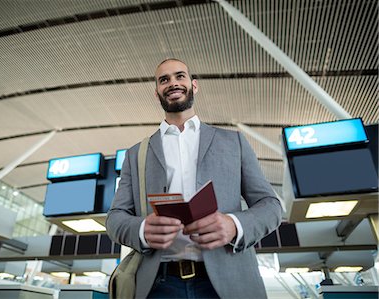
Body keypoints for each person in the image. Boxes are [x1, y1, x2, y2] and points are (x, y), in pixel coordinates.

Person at [106, 58, 282, 298]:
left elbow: (271, 206)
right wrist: (141, 230)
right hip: (159, 283)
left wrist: (234, 225)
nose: (172, 83)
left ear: (194, 85)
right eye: (164, 80)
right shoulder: (136, 154)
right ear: (157, 93)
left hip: (228, 280)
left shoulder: (234, 142)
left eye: (180, 76)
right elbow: (115, 218)